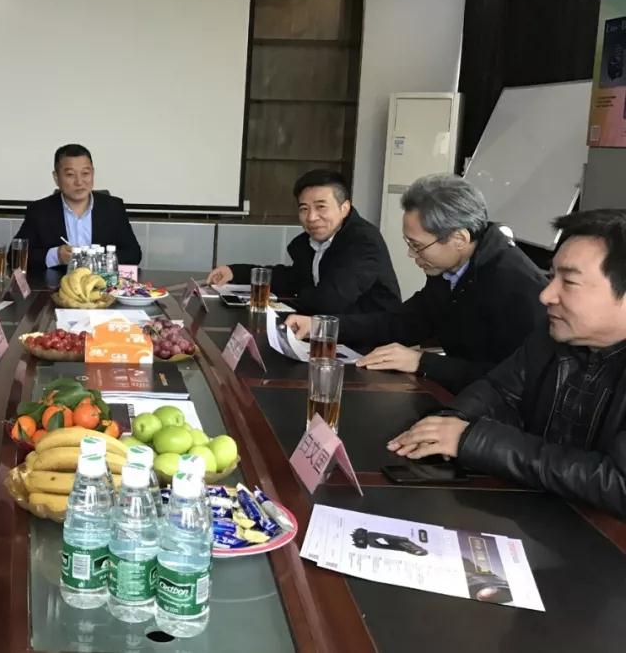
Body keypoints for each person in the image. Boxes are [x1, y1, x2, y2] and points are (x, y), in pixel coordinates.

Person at [388, 209, 626, 519]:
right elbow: (498, 390)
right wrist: (450, 421)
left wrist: (472, 440)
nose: (546, 295)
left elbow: (617, 483)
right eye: (551, 276)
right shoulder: (551, 338)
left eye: (568, 281)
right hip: (544, 516)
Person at [287, 174, 547, 393]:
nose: (411, 255)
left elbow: (519, 380)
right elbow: (403, 322)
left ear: (459, 238)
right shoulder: (450, 269)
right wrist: (322, 327)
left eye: (418, 245)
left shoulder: (517, 287)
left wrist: (423, 362)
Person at [206, 169, 400, 315]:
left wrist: (278, 303)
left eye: (321, 207)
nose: (311, 217)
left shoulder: (364, 242)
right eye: (304, 209)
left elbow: (330, 301)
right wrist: (235, 272)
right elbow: (292, 278)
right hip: (325, 330)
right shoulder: (311, 241)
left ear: (344, 208)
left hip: (368, 342)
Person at [14, 144, 142, 269]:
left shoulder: (113, 208)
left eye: (85, 173)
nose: (79, 182)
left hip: (101, 282)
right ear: (56, 177)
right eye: (70, 174)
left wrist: (96, 261)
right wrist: (56, 256)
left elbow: (134, 254)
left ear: (93, 173)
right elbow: (15, 255)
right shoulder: (39, 210)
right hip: (58, 282)